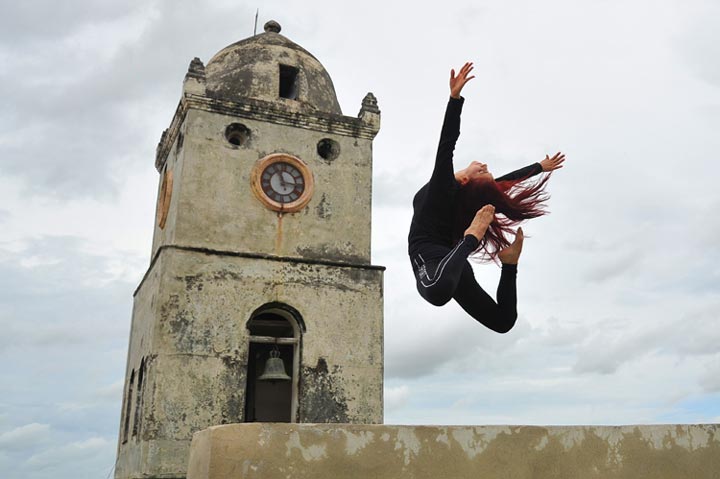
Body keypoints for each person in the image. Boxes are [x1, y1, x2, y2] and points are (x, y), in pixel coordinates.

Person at [408, 62, 565, 333]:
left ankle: (506, 262)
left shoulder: (444, 187)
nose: (485, 167)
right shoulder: (458, 191)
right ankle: (505, 261)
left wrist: (454, 99)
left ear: (468, 182)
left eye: (485, 172)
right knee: (450, 297)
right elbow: (504, 181)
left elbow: (447, 145)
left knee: (493, 317)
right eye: (487, 171)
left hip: (439, 264)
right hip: (451, 265)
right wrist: (538, 166)